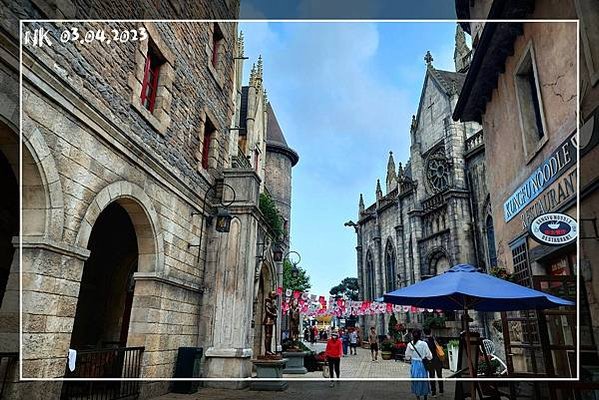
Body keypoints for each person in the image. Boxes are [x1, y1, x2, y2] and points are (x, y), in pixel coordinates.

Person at [404, 328, 433, 400]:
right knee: (424, 380)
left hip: (414, 364)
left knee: (416, 380)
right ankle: (425, 397)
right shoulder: (424, 344)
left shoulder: (409, 345)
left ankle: (418, 397)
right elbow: (429, 356)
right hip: (422, 364)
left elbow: (407, 357)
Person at [423, 328, 444, 397]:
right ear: (430, 332)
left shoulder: (424, 342)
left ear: (424, 333)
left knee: (432, 376)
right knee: (439, 375)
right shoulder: (435, 339)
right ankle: (441, 390)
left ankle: (433, 392)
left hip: (430, 361)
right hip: (437, 359)